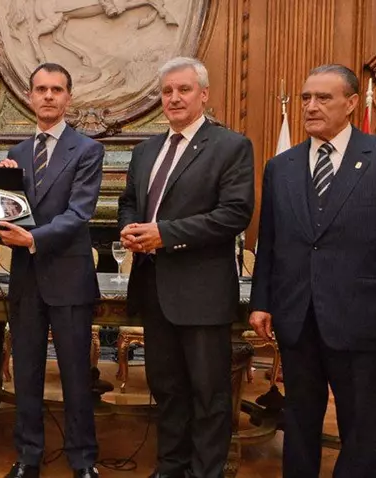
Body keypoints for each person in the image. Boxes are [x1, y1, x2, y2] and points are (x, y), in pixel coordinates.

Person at [249, 64, 376, 478]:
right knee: (298, 422)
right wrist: (261, 303)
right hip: (297, 318)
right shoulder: (281, 166)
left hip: (361, 318)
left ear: (351, 103)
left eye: (323, 98)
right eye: (306, 97)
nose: (311, 106)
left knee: (359, 429)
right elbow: (269, 242)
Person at [118, 56, 255, 478]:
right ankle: (170, 467)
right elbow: (129, 203)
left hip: (202, 294)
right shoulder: (145, 151)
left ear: (204, 94)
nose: (174, 98)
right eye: (167, 91)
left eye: (184, 89)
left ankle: (205, 472)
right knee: (167, 389)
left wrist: (165, 234)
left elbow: (234, 214)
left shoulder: (230, 146)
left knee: (208, 394)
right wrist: (129, 229)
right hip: (154, 290)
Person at [0, 62, 103, 478]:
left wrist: (32, 238)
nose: (48, 96)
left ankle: (83, 460)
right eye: (41, 89)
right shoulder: (16, 154)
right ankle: (28, 457)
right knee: (26, 373)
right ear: (30, 96)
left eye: (57, 89)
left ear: (68, 98)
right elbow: (7, 214)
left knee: (76, 375)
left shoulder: (87, 150)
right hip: (25, 279)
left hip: (69, 279)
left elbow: (79, 213)